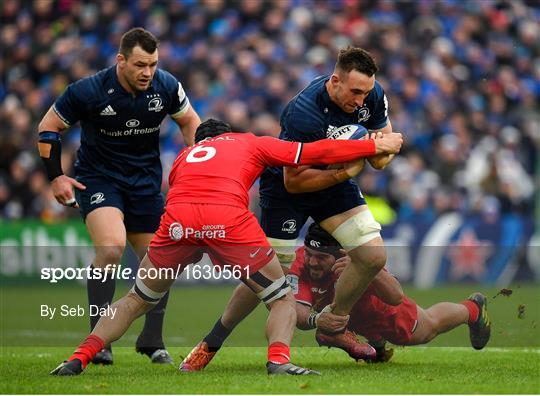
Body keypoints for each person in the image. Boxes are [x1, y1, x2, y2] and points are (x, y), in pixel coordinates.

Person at [50, 118, 403, 376]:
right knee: (280, 297)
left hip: (178, 221)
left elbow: (184, 189)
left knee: (135, 299)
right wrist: (372, 145)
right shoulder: (248, 141)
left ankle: (79, 356)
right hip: (226, 219)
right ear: (228, 133)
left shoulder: (183, 157)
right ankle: (279, 360)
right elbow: (312, 151)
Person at [181, 46, 399, 370]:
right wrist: (347, 168)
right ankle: (212, 341)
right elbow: (294, 181)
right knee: (269, 277)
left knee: (372, 255)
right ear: (335, 81)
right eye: (355, 92)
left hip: (332, 185)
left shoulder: (372, 95)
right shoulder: (304, 111)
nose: (360, 100)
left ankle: (334, 326)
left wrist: (381, 150)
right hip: (287, 189)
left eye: (366, 92)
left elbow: (382, 154)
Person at [37, 27, 201, 365]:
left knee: (161, 262)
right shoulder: (88, 90)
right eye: (141, 65)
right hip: (99, 180)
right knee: (111, 248)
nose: (148, 73)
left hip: (144, 183)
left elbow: (189, 122)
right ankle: (99, 339)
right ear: (121, 60)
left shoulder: (167, 86)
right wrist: (55, 177)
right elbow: (49, 125)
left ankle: (151, 339)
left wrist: (199, 161)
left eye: (153, 64)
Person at [290, 223, 491, 361]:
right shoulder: (299, 261)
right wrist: (317, 321)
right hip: (349, 318)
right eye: (309, 254)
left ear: (342, 254)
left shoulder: (358, 260)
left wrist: (365, 268)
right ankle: (374, 344)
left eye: (321, 257)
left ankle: (473, 309)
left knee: (429, 326)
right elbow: (297, 313)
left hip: (382, 313)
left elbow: (396, 296)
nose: (312, 262)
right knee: (326, 330)